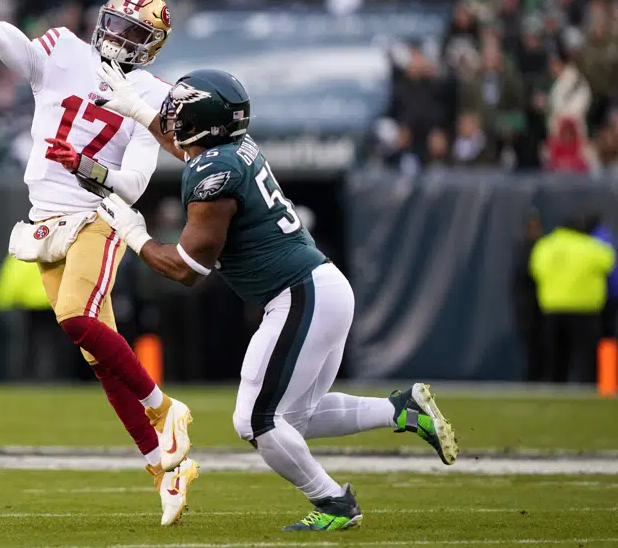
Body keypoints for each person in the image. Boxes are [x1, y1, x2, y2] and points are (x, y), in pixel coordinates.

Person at [92, 66, 458, 532]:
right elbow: (190, 151)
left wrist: (133, 234)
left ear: (206, 121)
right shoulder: (226, 152)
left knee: (257, 421)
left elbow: (187, 268)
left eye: (179, 111)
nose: (171, 117)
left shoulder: (215, 170)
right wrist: (140, 111)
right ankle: (401, 409)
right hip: (317, 288)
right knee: (295, 416)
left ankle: (333, 501)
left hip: (298, 295)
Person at [0, 0, 195, 526]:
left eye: (133, 34)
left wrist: (88, 167)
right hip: (45, 216)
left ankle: (165, 407)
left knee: (74, 317)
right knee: (97, 357)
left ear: (151, 48)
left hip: (97, 216)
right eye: (115, 25)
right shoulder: (61, 50)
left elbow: (132, 185)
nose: (117, 39)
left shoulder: (154, 96)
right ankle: (164, 466)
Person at [530, 214, 616, 383]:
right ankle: (589, 387)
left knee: (557, 356)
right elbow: (609, 262)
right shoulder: (591, 246)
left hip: (553, 308)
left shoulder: (545, 246)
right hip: (586, 309)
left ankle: (555, 388)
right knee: (587, 356)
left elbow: (536, 270)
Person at [514, 209, 547, 381]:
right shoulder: (523, 249)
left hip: (544, 306)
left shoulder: (544, 247)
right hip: (528, 307)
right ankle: (532, 380)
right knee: (532, 347)